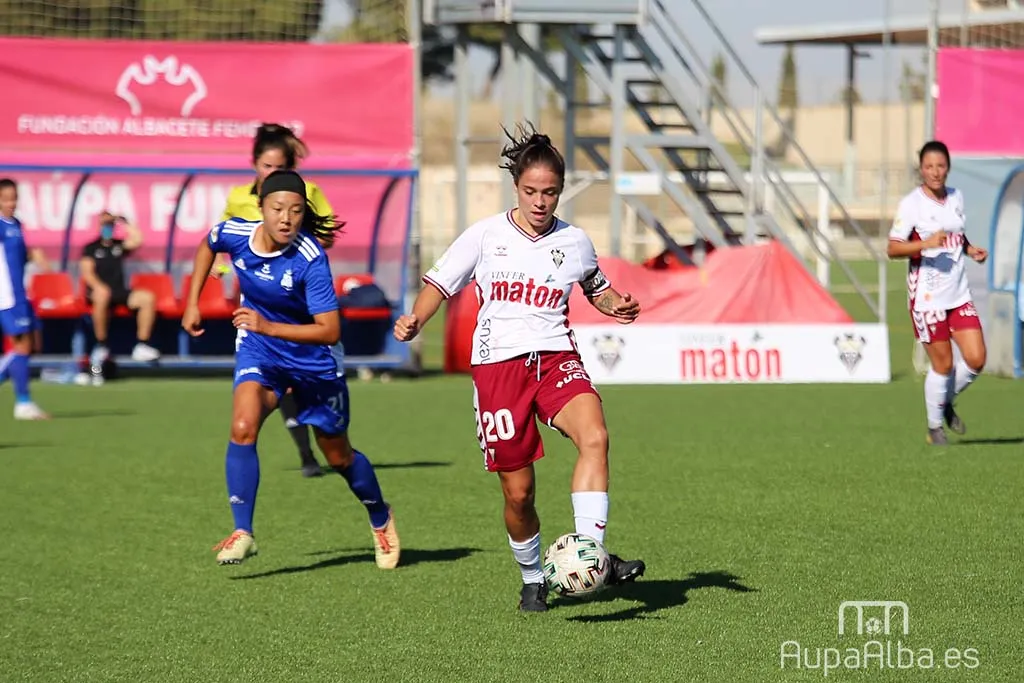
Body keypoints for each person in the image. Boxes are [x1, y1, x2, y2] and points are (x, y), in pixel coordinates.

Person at [393, 125, 645, 612]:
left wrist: (615, 304)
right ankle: (533, 576)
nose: (540, 201)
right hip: (498, 370)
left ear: (561, 191)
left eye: (549, 192)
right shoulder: (485, 236)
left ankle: (593, 555)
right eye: (530, 191)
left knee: (596, 436)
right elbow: (441, 284)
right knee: (519, 493)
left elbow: (596, 288)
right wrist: (414, 319)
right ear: (516, 188)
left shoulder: (575, 241)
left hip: (555, 358)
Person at [182, 169, 400, 569]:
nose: (286, 218)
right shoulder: (235, 234)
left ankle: (380, 516)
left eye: (296, 211)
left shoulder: (310, 260)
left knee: (337, 456)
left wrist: (267, 324)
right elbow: (207, 243)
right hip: (260, 352)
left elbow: (330, 330)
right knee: (243, 427)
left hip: (313, 363)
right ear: (261, 207)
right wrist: (192, 300)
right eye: (278, 208)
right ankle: (243, 531)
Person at [220, 123, 334, 478]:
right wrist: (220, 269)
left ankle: (324, 447)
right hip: (256, 301)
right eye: (267, 167)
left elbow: (326, 234)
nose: (273, 174)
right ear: (254, 164)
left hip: (297, 302)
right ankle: (303, 453)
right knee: (273, 382)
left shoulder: (307, 192)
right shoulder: (240, 197)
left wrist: (297, 246)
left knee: (304, 389)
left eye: (280, 168)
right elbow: (222, 238)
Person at [888, 140, 988, 446]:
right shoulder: (912, 205)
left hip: (958, 294)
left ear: (948, 168)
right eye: (929, 166)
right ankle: (934, 428)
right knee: (943, 365)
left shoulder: (956, 197)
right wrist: (924, 244)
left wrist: (969, 249)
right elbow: (892, 248)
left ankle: (942, 403)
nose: (935, 172)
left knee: (976, 358)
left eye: (941, 166)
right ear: (921, 169)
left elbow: (956, 232)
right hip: (928, 298)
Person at [80, 211, 161, 364]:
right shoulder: (91, 248)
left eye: (110, 225)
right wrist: (99, 287)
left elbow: (138, 239)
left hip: (118, 291)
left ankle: (142, 345)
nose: (107, 228)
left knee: (146, 298)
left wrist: (124, 222)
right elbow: (87, 273)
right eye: (105, 225)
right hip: (99, 292)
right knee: (102, 295)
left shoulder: (118, 246)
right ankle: (101, 345)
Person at [0, 178, 50, 419]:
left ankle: (24, 401)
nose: (11, 203)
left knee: (30, 345)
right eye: (6, 199)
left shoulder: (16, 224)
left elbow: (17, 258)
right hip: (6, 296)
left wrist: (34, 257)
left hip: (21, 293)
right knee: (21, 345)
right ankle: (23, 402)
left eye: (14, 198)